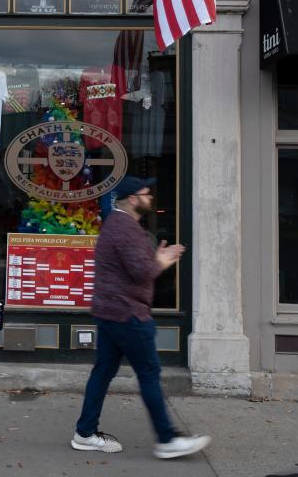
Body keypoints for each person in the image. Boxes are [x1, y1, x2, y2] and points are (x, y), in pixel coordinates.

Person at [71, 176, 211, 460]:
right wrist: (164, 259)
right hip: (127, 314)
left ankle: (85, 433)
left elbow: (136, 266)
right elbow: (142, 272)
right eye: (146, 194)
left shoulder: (117, 224)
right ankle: (167, 440)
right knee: (148, 374)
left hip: (109, 312)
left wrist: (155, 257)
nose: (150, 198)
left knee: (103, 373)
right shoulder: (125, 227)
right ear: (133, 199)